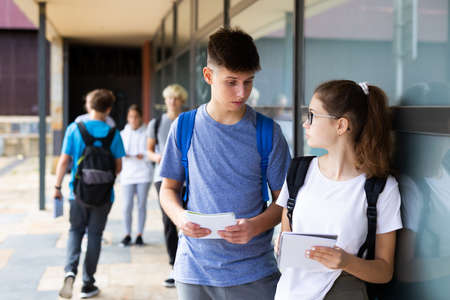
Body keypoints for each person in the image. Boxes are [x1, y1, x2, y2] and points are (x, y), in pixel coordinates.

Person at [159, 27, 291, 300]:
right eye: (231, 82)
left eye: (248, 81)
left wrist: (255, 226)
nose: (241, 92)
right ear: (208, 76)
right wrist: (179, 217)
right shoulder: (183, 127)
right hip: (194, 272)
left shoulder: (268, 133)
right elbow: (168, 189)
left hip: (255, 273)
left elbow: (285, 202)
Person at [275, 80, 403, 300]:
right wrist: (282, 246)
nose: (305, 123)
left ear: (341, 125)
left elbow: (385, 271)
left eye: (313, 115)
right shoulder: (298, 171)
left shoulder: (381, 188)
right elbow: (285, 240)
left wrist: (346, 261)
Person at [54, 89, 125, 299]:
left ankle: (69, 271)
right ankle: (88, 284)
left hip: (78, 193)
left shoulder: (74, 129)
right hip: (104, 196)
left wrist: (57, 187)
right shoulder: (114, 134)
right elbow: (118, 167)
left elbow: (64, 161)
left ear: (88, 105)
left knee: (75, 231)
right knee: (95, 236)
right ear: (109, 109)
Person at [146, 83, 187, 287]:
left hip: (188, 178)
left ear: (182, 101)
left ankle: (189, 264)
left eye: (176, 98)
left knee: (190, 220)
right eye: (169, 98)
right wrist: (160, 157)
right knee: (170, 223)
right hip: (163, 177)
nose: (172, 101)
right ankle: (174, 266)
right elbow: (149, 150)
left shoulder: (188, 121)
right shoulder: (156, 123)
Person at [119, 104, 153, 247]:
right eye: (130, 117)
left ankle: (139, 234)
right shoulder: (122, 133)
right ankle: (127, 234)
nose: (133, 120)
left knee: (141, 205)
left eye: (136, 117)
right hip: (127, 174)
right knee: (126, 206)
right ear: (128, 118)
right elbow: (118, 154)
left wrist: (143, 155)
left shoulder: (147, 132)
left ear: (140, 118)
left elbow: (152, 151)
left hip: (143, 174)